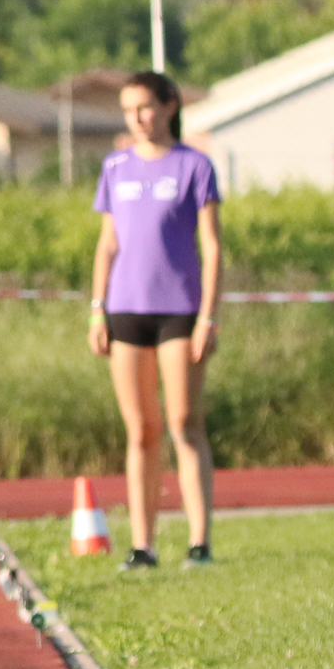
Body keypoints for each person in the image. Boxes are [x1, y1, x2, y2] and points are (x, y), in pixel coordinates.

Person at [85, 71, 222, 569]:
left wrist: (208, 316)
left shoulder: (194, 166)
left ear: (169, 106)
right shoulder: (116, 167)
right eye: (128, 110)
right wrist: (97, 308)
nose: (137, 118)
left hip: (180, 310)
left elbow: (212, 246)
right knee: (141, 430)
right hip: (125, 310)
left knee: (183, 423)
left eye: (144, 107)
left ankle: (199, 542)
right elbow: (108, 243)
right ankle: (143, 545)